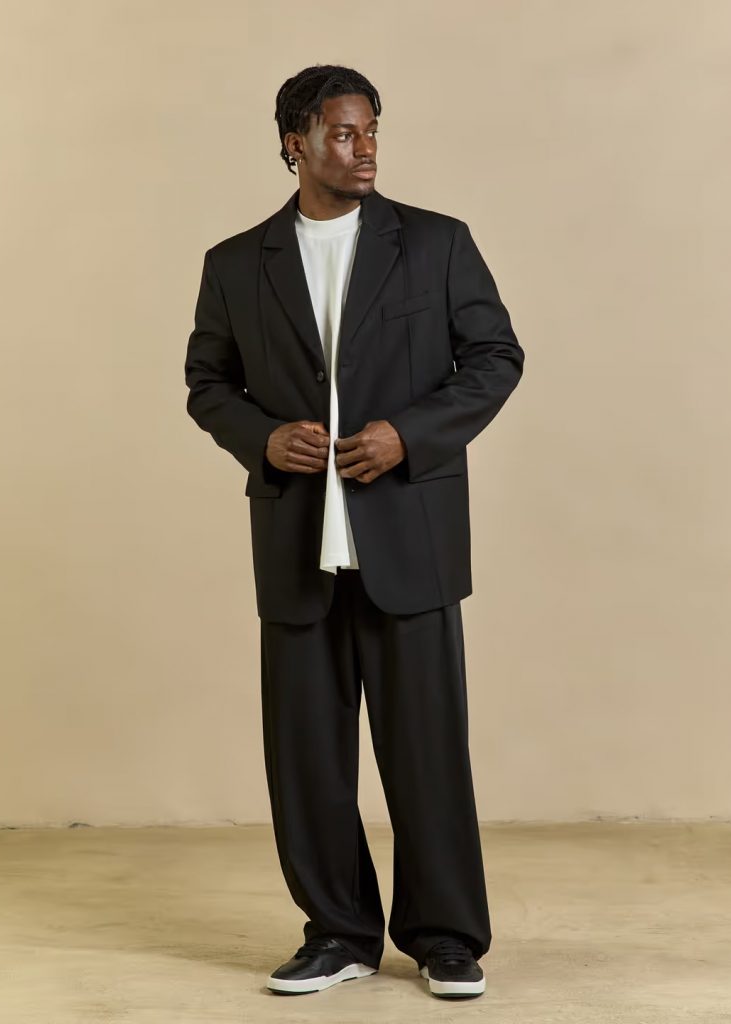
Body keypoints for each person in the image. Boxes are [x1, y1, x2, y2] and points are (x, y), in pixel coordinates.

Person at [184, 63, 524, 1000]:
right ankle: (336, 933)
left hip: (409, 541)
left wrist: (408, 434)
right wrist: (261, 438)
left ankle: (447, 938)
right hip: (296, 545)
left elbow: (494, 357)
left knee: (426, 753)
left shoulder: (436, 243)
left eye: (371, 130)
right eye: (343, 133)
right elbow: (207, 383)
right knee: (307, 763)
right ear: (294, 143)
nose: (364, 148)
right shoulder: (234, 263)